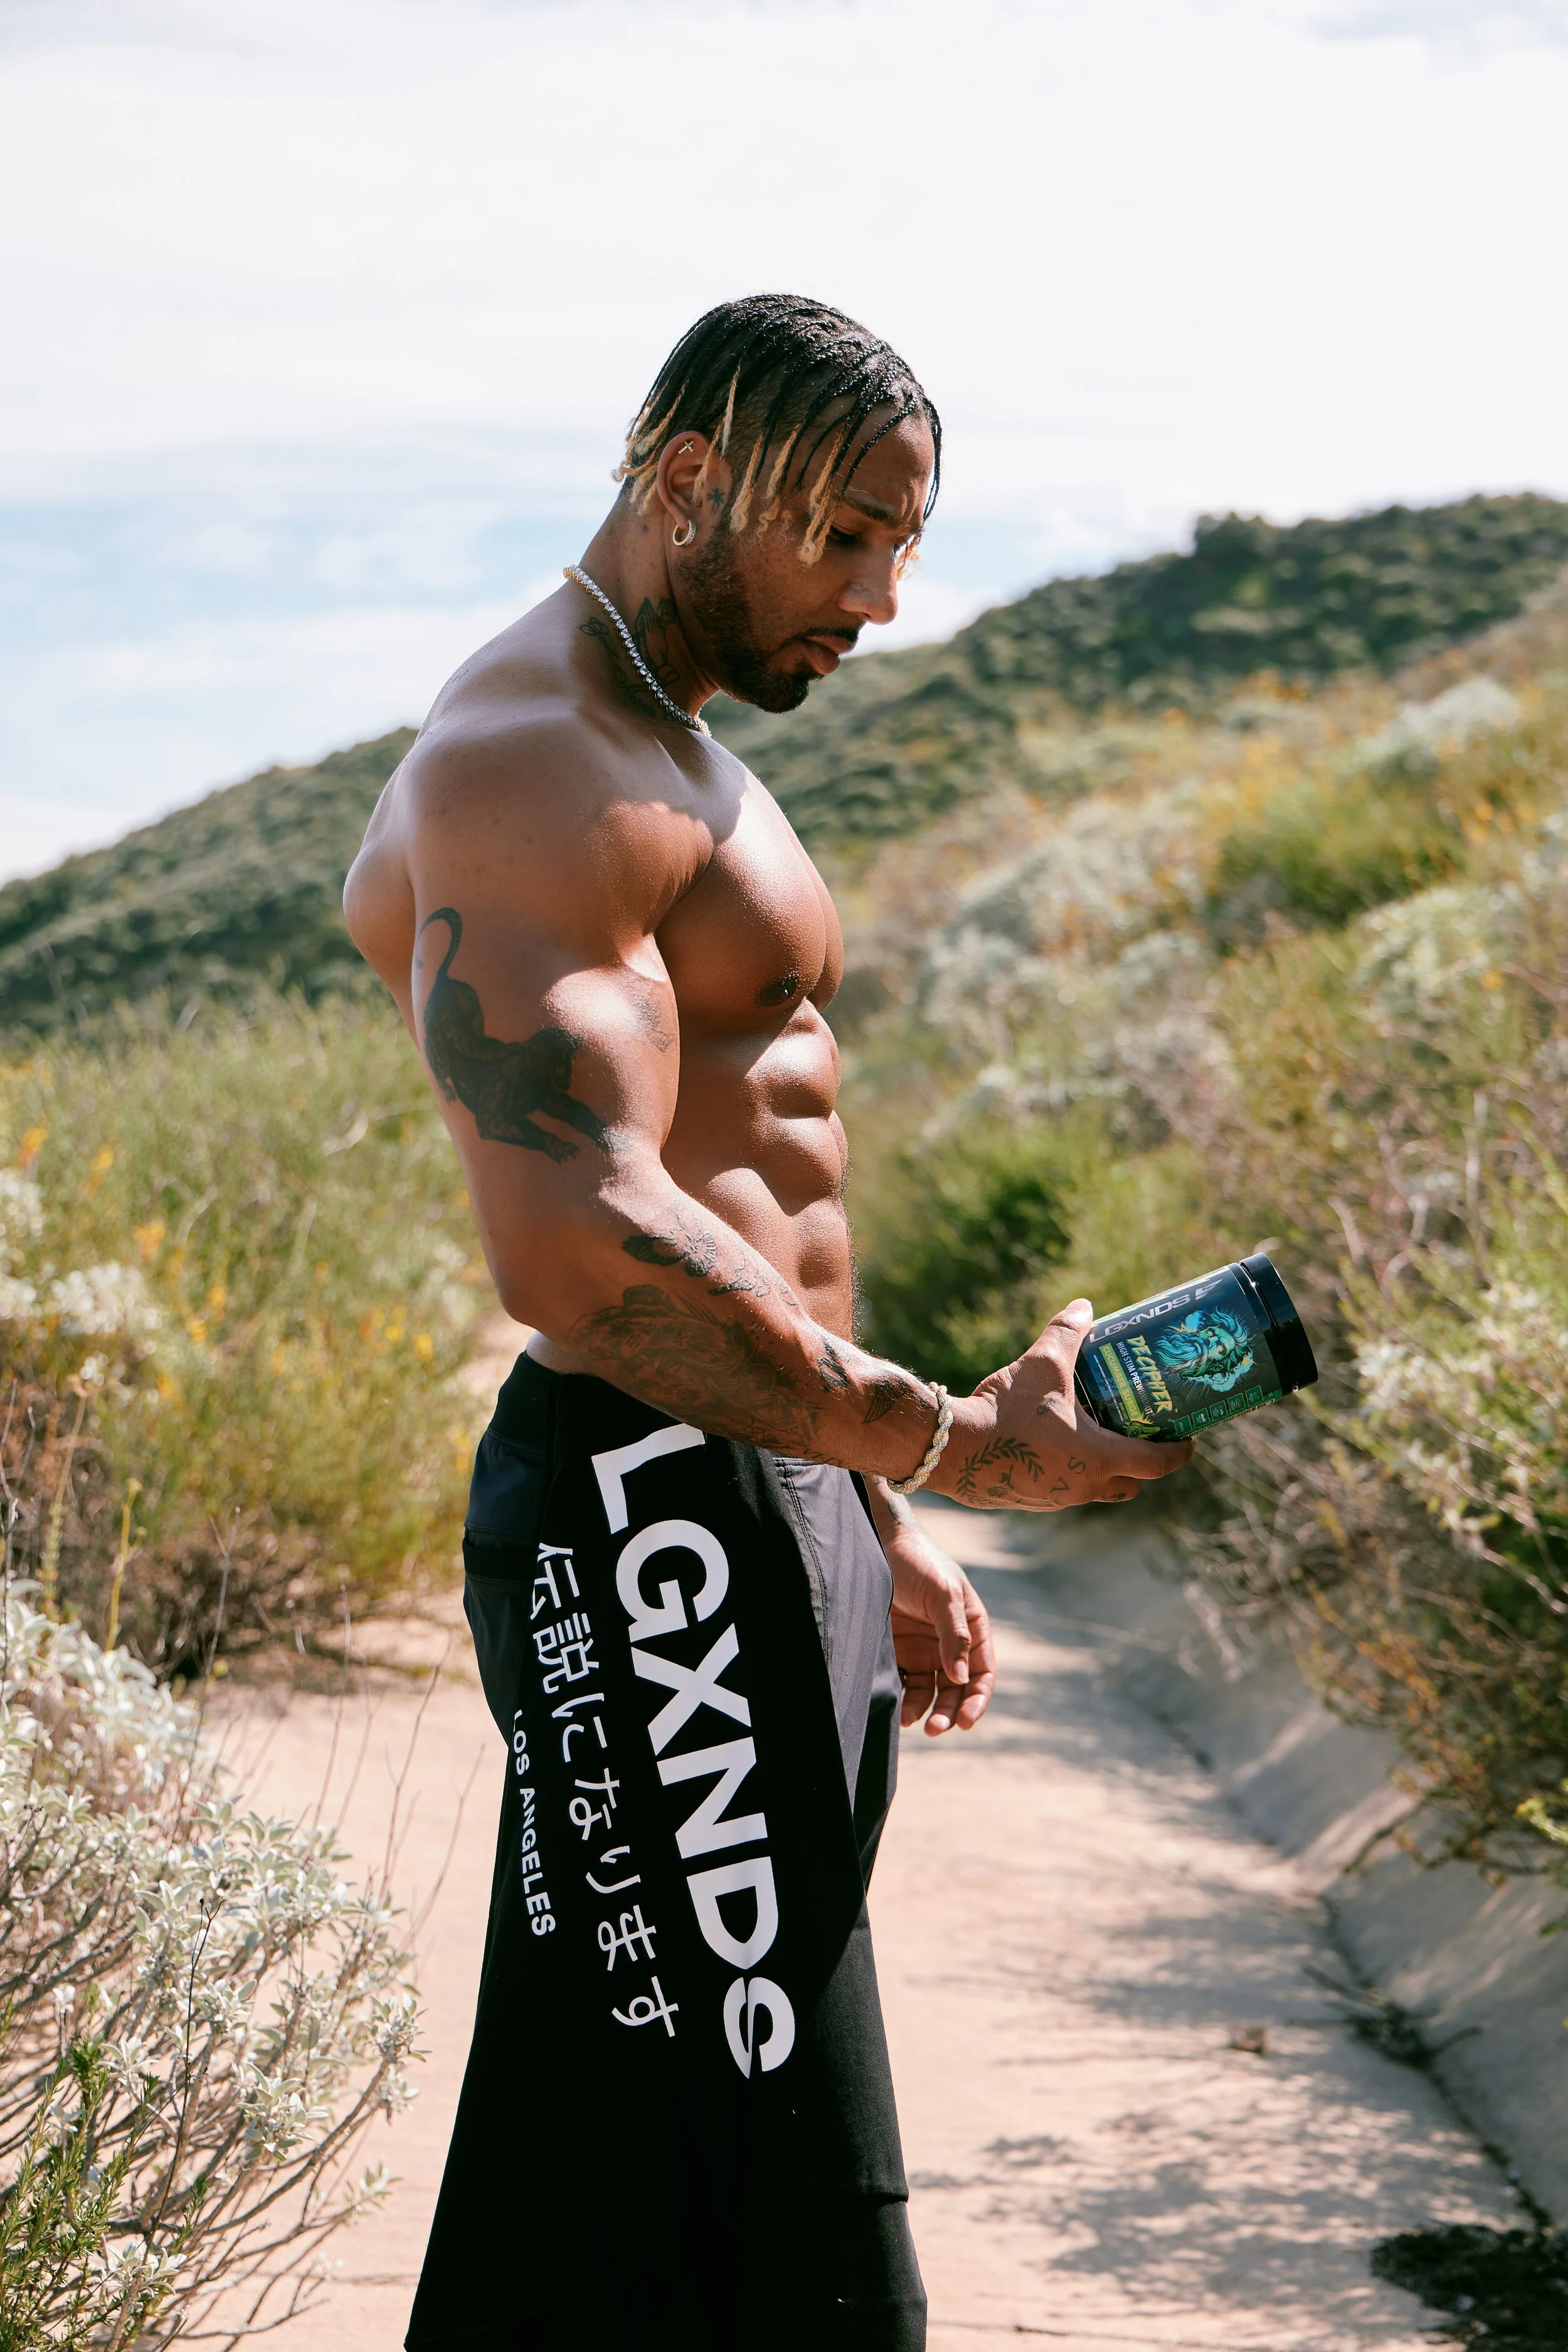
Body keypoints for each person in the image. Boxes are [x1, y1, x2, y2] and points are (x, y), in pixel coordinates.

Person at [344, 293, 1190, 2352]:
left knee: (621, 2183)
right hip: (651, 1506)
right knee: (783, 2194)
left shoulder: (670, 744)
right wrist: (945, 1445)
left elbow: (751, 1176)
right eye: (843, 535)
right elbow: (580, 1244)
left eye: (902, 544)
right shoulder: (531, 760)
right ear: (688, 479)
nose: (881, 598)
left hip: (758, 1492)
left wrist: (862, 1519)